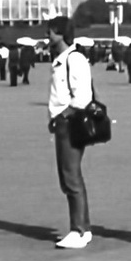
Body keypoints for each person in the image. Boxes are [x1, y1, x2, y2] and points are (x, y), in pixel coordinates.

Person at [44, 16, 93, 248]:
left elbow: (82, 97)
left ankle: (78, 229)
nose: (48, 37)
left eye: (51, 32)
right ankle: (83, 227)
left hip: (70, 123)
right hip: (63, 122)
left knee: (70, 175)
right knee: (69, 176)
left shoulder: (75, 59)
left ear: (62, 34)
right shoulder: (61, 60)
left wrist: (62, 116)